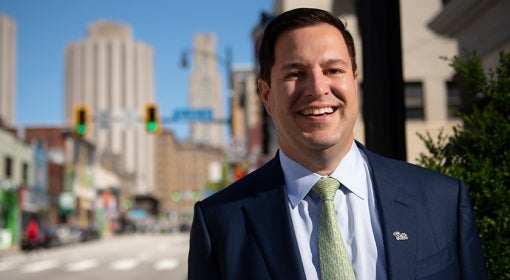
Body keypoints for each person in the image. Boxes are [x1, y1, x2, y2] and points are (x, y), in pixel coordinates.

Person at [188, 7, 488, 280]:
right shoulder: (220, 222)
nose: (318, 88)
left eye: (333, 70)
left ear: (354, 80)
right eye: (295, 74)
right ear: (266, 95)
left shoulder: (442, 200)